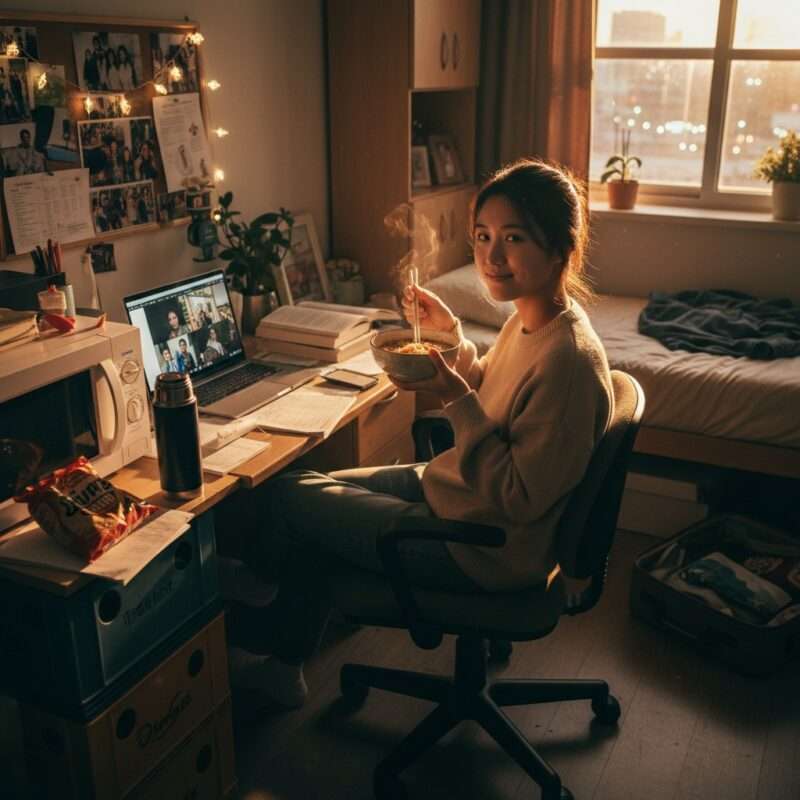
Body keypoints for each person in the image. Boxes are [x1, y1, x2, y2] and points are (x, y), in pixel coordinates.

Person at [223, 157, 614, 710]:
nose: (491, 256)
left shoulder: (568, 363)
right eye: (482, 236)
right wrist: (449, 335)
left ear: (561, 248)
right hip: (459, 496)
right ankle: (284, 651)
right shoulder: (533, 319)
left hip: (485, 547)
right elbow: (497, 398)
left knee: (291, 497)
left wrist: (454, 398)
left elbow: (520, 497)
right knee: (317, 489)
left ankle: (263, 608)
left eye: (514, 238)